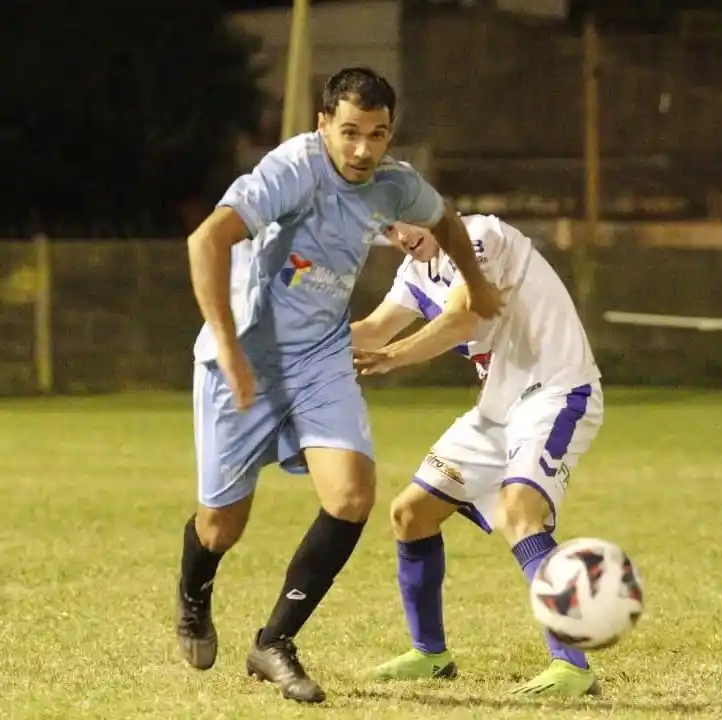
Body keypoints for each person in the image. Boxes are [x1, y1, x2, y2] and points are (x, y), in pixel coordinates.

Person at [174, 67, 503, 705]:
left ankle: (274, 642)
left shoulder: (393, 183)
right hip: (243, 358)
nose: (361, 149)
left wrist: (477, 281)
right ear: (323, 124)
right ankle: (193, 595)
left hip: (321, 358)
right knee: (221, 525)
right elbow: (207, 238)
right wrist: (229, 345)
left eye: (376, 135)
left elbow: (446, 218)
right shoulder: (293, 169)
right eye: (349, 132)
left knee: (352, 495)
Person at [350, 214, 604, 697]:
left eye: (405, 222)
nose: (400, 237)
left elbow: (465, 315)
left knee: (519, 511)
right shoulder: (414, 273)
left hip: (556, 390)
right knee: (411, 514)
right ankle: (431, 655)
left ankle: (572, 666)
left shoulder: (478, 236)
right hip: (498, 409)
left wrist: (395, 356)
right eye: (387, 230)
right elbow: (373, 330)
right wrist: (297, 342)